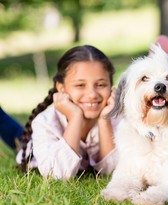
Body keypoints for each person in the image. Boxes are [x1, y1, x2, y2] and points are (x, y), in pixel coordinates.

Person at [16, 45, 119, 180]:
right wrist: (75, 117)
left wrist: (104, 120)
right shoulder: (45, 122)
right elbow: (58, 173)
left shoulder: (118, 117)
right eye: (80, 85)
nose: (92, 94)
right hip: (30, 145)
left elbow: (111, 170)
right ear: (61, 88)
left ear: (111, 87)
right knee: (17, 139)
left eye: (100, 85)